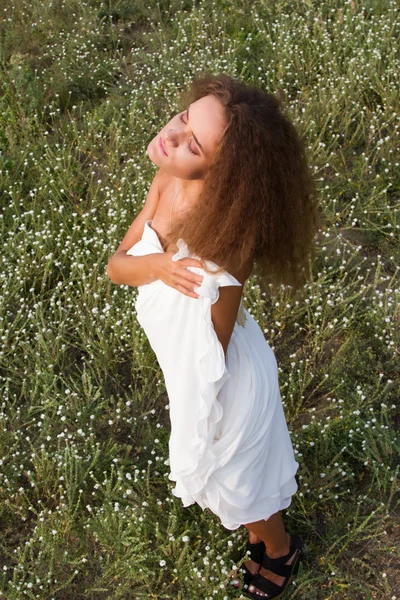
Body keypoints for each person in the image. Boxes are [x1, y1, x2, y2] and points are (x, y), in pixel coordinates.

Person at [106, 72, 321, 599]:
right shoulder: (165, 183)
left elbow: (215, 341)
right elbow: (116, 265)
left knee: (242, 484)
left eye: (192, 143)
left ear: (223, 174)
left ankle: (279, 548)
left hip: (221, 383)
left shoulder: (227, 239)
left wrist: (205, 415)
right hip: (188, 371)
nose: (172, 136)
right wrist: (156, 264)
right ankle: (259, 534)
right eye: (182, 119)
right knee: (231, 485)